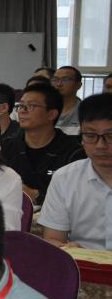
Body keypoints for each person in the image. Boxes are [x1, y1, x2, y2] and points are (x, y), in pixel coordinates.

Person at [41, 93, 112, 249]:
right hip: (85, 261)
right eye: (90, 135)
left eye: (110, 135)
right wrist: (65, 248)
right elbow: (52, 239)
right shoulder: (64, 178)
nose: (101, 145)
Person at [1, 82, 84, 205]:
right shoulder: (6, 146)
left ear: (51, 114)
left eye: (31, 106)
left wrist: (36, 194)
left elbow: (77, 197)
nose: (22, 111)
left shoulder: (73, 152)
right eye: (21, 105)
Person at [53, 66, 83, 133]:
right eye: (55, 80)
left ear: (78, 85)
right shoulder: (45, 109)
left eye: (65, 80)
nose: (59, 84)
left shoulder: (85, 111)